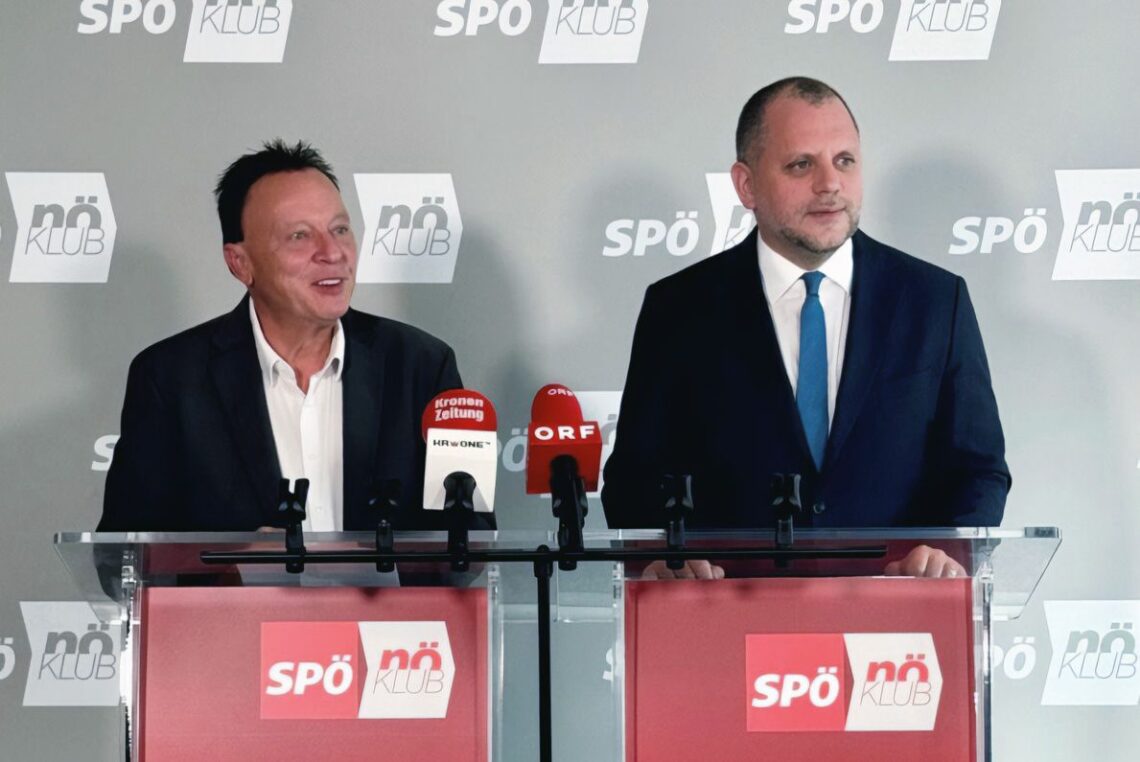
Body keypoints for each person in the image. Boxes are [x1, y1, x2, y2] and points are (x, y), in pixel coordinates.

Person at [601, 77, 1009, 577]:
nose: (830, 184)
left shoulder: (933, 301)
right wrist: (664, 563)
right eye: (801, 164)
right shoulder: (680, 309)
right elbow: (633, 481)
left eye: (845, 160)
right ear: (746, 185)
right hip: (728, 627)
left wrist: (950, 553)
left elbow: (979, 470)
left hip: (893, 630)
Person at [98, 140, 487, 532]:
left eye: (340, 229)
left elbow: (472, 538)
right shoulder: (171, 379)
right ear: (240, 262)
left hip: (387, 596)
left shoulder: (421, 366)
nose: (332, 253)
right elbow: (123, 558)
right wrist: (236, 566)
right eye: (300, 236)